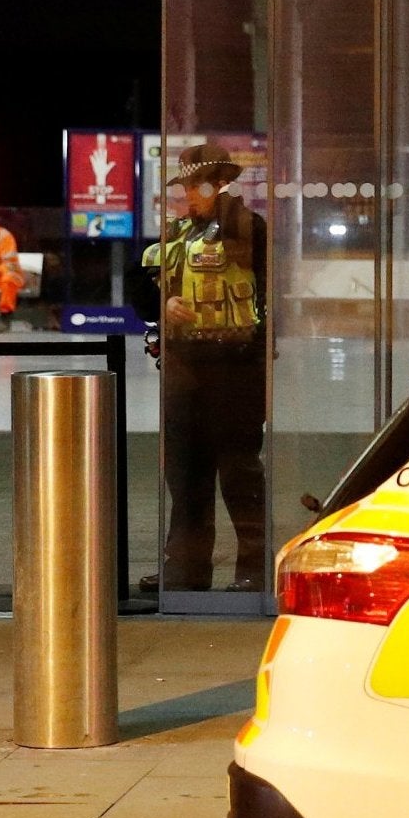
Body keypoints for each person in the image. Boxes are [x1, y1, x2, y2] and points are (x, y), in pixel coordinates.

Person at [144, 145, 267, 593]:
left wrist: (260, 353)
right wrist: (165, 304)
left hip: (234, 370)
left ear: (216, 186)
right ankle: (185, 572)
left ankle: (254, 572)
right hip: (185, 369)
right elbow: (150, 292)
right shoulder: (180, 233)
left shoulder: (248, 229)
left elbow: (270, 299)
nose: (187, 197)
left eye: (195, 187)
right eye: (185, 188)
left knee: (239, 474)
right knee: (186, 475)